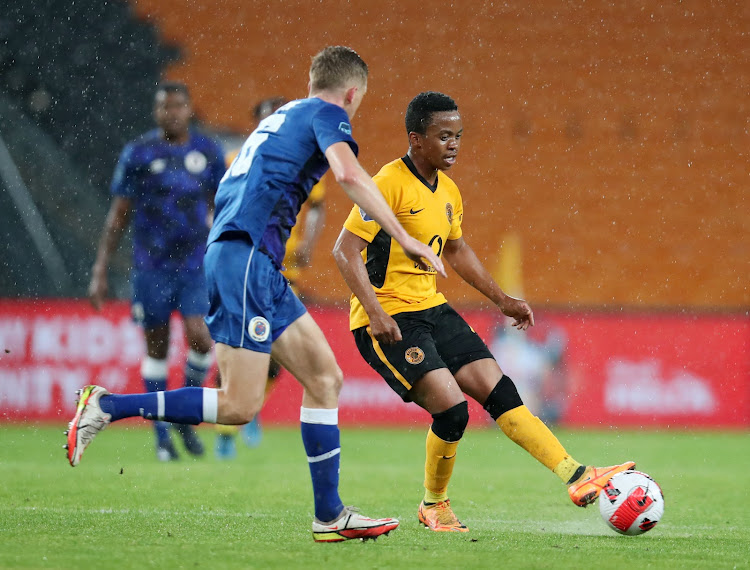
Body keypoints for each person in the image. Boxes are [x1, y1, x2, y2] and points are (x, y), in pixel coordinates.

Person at [66, 46, 446, 543]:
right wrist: (405, 236)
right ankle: (107, 406)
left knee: (326, 378)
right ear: (352, 93)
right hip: (245, 259)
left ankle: (329, 515)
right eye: (359, 101)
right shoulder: (328, 114)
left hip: (251, 261)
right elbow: (350, 174)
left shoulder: (287, 114)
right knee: (237, 404)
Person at [332, 91, 635, 532]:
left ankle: (577, 475)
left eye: (457, 135)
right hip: (388, 320)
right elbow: (345, 251)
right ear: (416, 139)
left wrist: (502, 299)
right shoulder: (386, 184)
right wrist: (376, 313)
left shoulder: (449, 191)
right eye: (443, 136)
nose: (453, 144)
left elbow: (456, 250)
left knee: (502, 393)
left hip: (433, 309)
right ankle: (433, 505)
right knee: (453, 413)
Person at [88, 81, 225, 461]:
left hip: (196, 263)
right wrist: (101, 267)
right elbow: (119, 214)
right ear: (156, 111)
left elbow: (223, 205)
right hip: (152, 265)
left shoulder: (208, 151)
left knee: (201, 337)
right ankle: (162, 432)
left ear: (189, 109)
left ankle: (184, 414)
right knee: (158, 346)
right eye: (165, 107)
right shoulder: (139, 153)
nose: (172, 113)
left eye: (178, 106)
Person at [214, 97, 329, 458]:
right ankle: (226, 429)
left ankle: (250, 412)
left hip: (284, 270)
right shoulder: (236, 161)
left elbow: (317, 207)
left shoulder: (299, 163)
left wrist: (309, 242)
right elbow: (216, 203)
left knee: (277, 357)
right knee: (239, 347)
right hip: (244, 266)